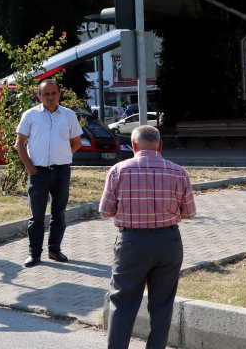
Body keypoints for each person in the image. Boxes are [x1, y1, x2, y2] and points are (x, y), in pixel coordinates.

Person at [99, 125, 196, 349]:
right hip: (168, 242)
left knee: (122, 302)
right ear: (160, 145)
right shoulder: (179, 172)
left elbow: (105, 211)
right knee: (162, 304)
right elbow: (189, 213)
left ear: (133, 146)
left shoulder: (118, 170)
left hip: (132, 242)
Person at [14, 79, 83, 267]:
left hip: (61, 171)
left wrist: (64, 155)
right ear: (39, 96)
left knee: (59, 214)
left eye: (53, 93)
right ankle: (34, 254)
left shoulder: (68, 115)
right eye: (46, 94)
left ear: (59, 94)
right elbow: (19, 143)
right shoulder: (30, 115)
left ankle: (55, 250)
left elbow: (76, 142)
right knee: (36, 216)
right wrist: (30, 168)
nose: (50, 97)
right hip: (38, 173)